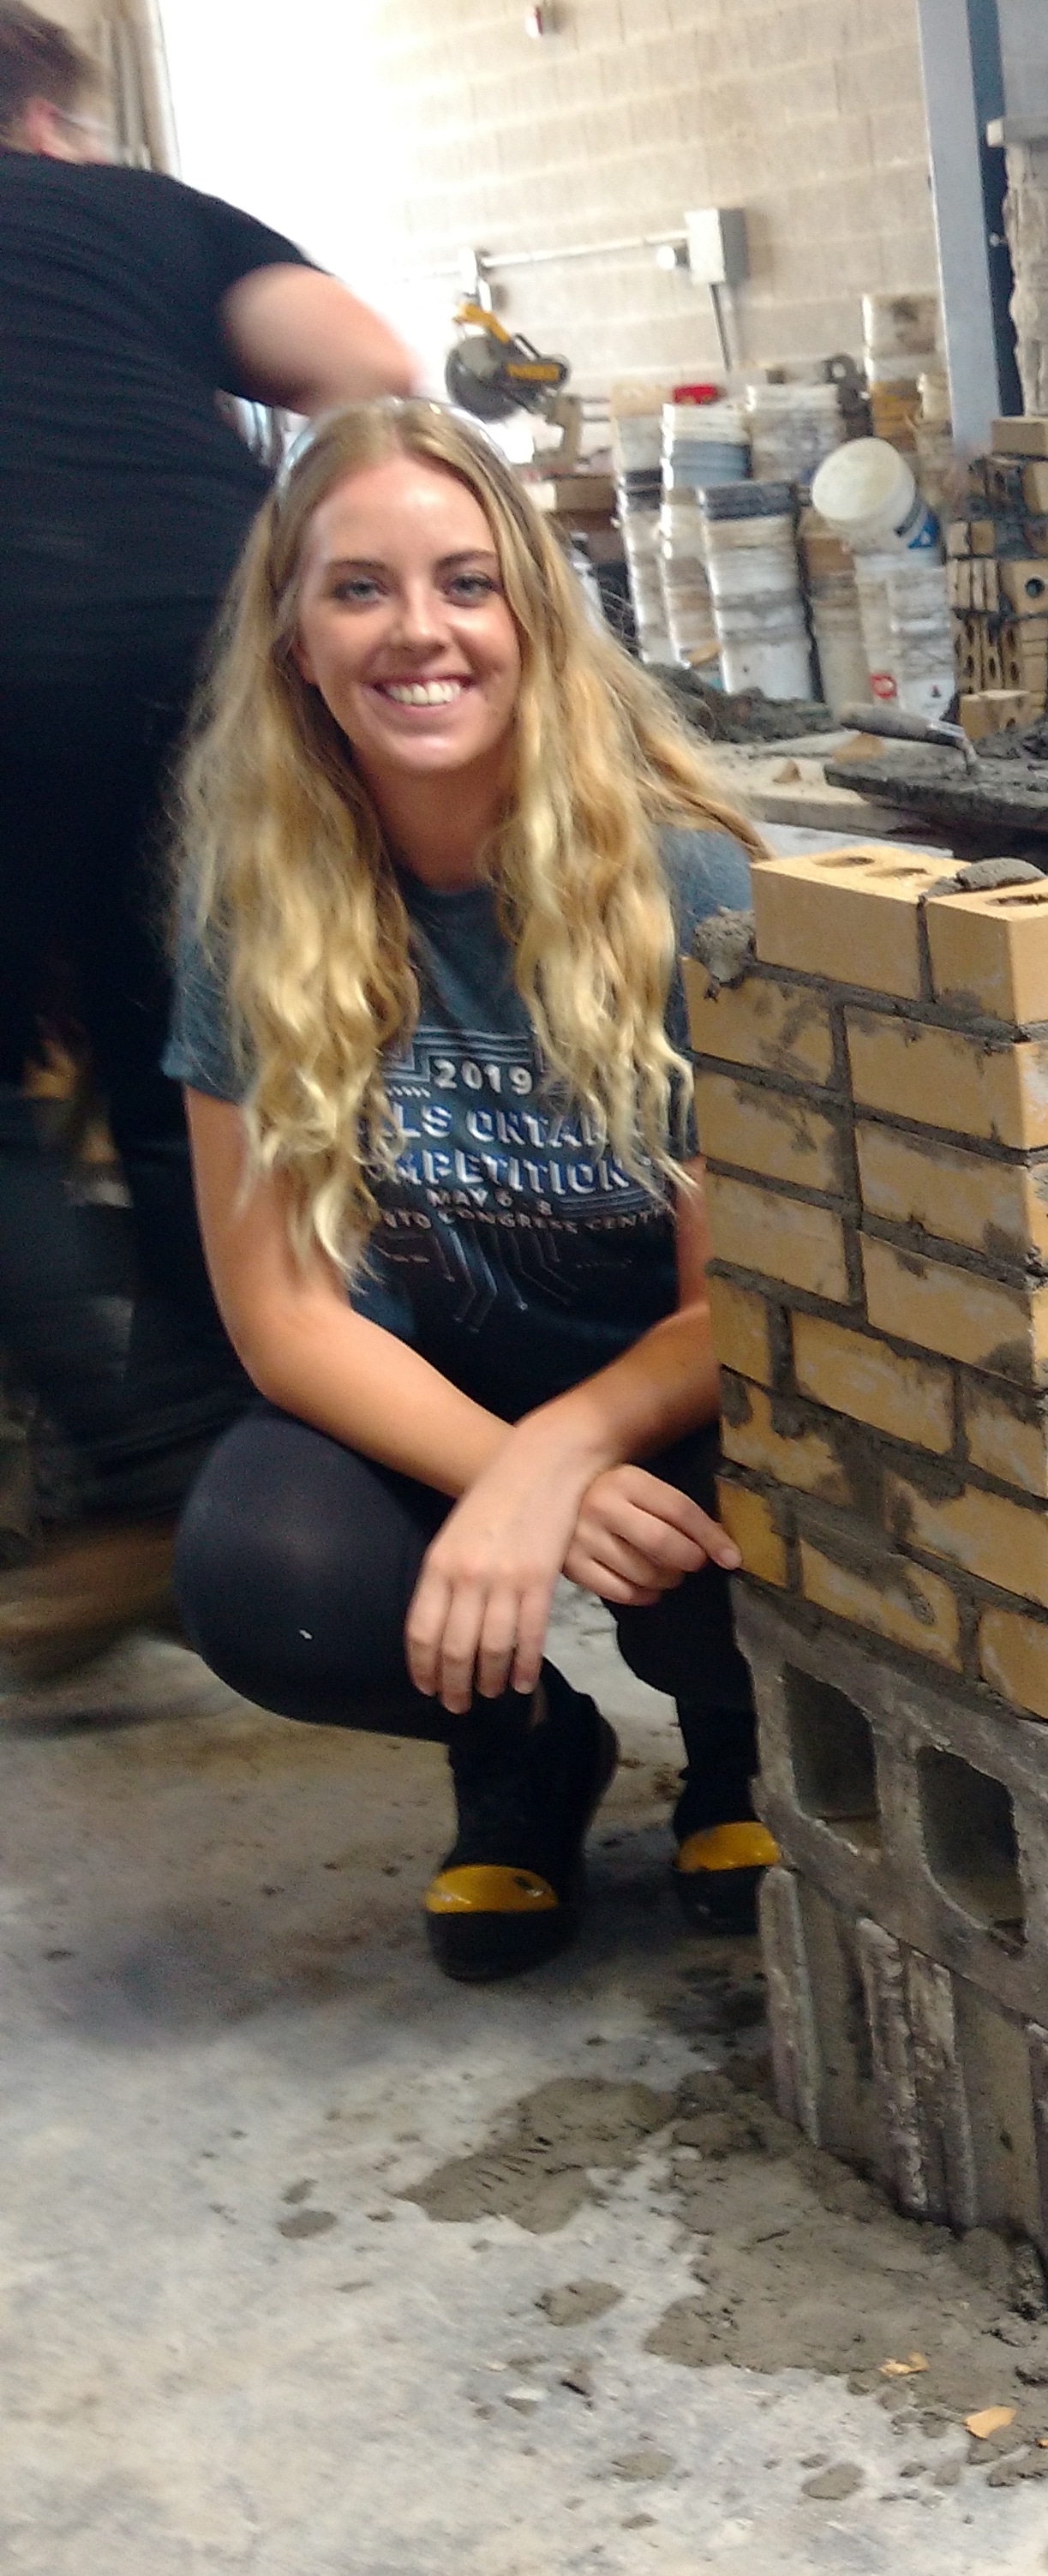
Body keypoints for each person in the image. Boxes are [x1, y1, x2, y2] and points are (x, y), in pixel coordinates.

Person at [165, 399, 774, 1982]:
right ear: (294, 634)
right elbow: (286, 1317)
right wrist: (508, 1472)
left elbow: (743, 1302)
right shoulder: (255, 911)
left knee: (752, 1550)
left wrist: (560, 1460)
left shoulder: (686, 881)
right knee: (268, 1581)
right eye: (358, 587)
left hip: (667, 1403)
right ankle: (523, 1747)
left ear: (531, 617)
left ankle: (732, 1745)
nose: (416, 630)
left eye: (465, 581)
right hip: (424, 1403)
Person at [0, 3, 412, 1674]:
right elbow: (370, 364)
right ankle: (274, 1449)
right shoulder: (127, 213)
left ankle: (149, 1486)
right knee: (200, 1067)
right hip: (205, 656)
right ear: (49, 119)